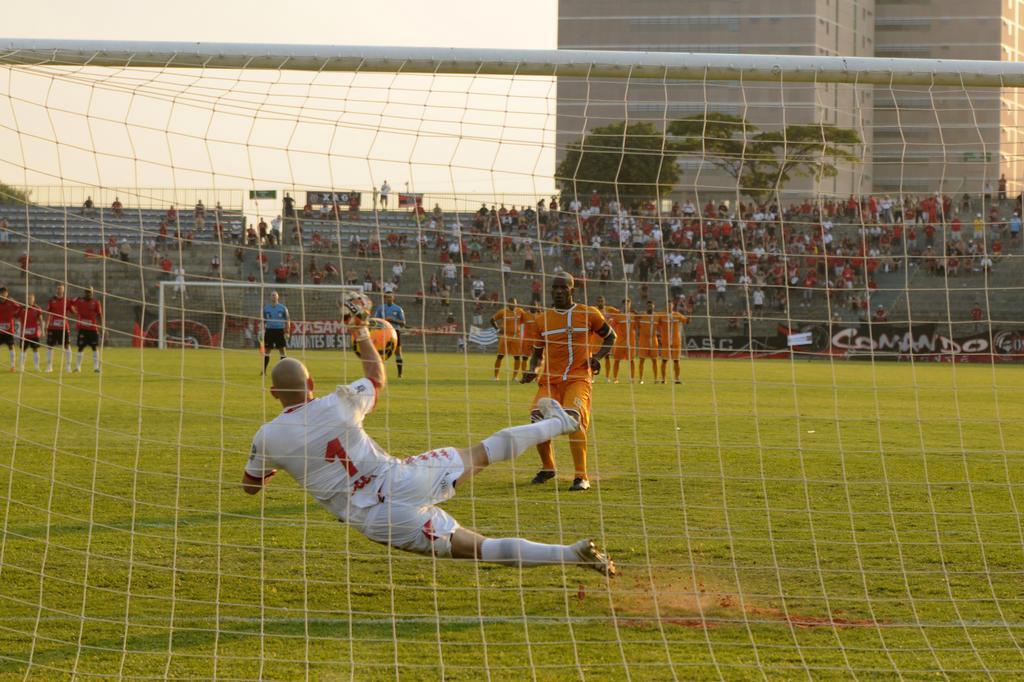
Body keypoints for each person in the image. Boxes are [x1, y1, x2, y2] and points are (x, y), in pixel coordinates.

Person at [242, 298, 615, 576]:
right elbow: (376, 377)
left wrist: (276, 464)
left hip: (372, 515)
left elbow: (251, 486)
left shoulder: (268, 436)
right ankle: (561, 423)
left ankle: (570, 554)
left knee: (477, 547)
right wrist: (359, 332)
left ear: (273, 394)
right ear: (311, 384)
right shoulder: (339, 403)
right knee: (482, 452)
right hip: (401, 477)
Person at [521, 273, 615, 491]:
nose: (559, 291)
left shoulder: (589, 314)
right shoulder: (541, 320)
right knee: (537, 419)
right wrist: (532, 370)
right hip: (550, 381)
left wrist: (597, 358)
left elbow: (611, 336)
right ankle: (548, 467)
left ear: (572, 290)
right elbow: (537, 353)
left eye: (564, 287)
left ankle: (581, 476)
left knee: (573, 420)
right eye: (555, 288)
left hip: (578, 378)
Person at [490, 298, 527, 381]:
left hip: (516, 337)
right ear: (508, 303)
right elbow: (492, 320)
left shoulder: (520, 311)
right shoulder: (503, 312)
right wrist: (498, 329)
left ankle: (514, 377)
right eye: (512, 303)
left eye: (515, 303)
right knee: (500, 356)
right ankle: (495, 376)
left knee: (517, 357)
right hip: (505, 337)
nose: (514, 305)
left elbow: (527, 319)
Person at [373, 292, 406, 379]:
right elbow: (375, 321)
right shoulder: (380, 308)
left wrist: (393, 320)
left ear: (393, 298)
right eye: (387, 297)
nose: (389, 298)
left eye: (390, 297)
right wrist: (383, 321)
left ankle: (400, 374)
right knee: (380, 352)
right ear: (384, 298)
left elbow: (403, 323)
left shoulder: (398, 309)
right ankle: (379, 374)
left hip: (395, 331)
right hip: (383, 332)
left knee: (398, 352)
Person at [71, 287, 102, 373]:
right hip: (82, 329)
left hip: (92, 329)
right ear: (84, 292)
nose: (88, 293)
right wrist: (74, 312)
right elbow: (70, 304)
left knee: (94, 347)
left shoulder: (96, 302)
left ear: (92, 292)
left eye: (89, 292)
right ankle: (78, 367)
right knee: (80, 347)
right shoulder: (79, 300)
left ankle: (96, 367)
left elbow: (99, 315)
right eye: (87, 292)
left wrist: (101, 327)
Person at [657, 306, 689, 385]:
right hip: (666, 342)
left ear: (672, 306)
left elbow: (687, 321)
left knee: (676, 361)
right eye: (667, 305)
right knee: (664, 361)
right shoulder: (662, 315)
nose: (669, 306)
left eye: (670, 305)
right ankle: (663, 379)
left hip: (675, 342)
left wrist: (689, 313)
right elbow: (654, 320)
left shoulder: (677, 314)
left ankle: (677, 379)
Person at [44, 284, 72, 373]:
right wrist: (46, 324)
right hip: (53, 327)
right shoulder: (51, 300)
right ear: (56, 290)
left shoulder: (67, 300)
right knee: (50, 346)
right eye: (58, 288)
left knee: (67, 345)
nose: (59, 290)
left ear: (64, 290)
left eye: (61, 289)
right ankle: (49, 366)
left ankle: (68, 366)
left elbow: (72, 311)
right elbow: (48, 313)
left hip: (64, 327)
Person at [261, 291, 290, 375]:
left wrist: (287, 332)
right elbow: (262, 321)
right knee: (267, 350)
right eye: (272, 295)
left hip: (279, 330)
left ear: (278, 297)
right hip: (269, 330)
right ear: (270, 297)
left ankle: (284, 371)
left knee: (282, 350)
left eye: (275, 295)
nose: (273, 296)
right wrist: (261, 330)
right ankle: (263, 371)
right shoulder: (266, 308)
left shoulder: (283, 308)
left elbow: (287, 320)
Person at [592, 296, 619, 379]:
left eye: (601, 301)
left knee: (607, 357)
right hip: (595, 338)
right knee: (593, 357)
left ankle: (607, 377)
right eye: (598, 301)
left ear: (604, 302)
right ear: (596, 302)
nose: (600, 302)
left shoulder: (609, 309)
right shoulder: (594, 310)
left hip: (606, 337)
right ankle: (592, 377)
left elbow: (619, 312)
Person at [635, 300, 660, 384]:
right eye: (648, 306)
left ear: (654, 306)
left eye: (651, 305)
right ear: (646, 306)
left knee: (654, 360)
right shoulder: (642, 315)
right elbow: (637, 325)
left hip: (653, 341)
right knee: (642, 360)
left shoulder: (657, 316)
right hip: (643, 341)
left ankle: (656, 379)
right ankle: (641, 379)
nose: (650, 307)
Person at [19, 293, 43, 372]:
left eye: (31, 298)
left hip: (34, 333)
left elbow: (41, 320)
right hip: (24, 333)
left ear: (33, 299)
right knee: (23, 349)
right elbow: (16, 316)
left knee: (35, 349)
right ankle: (21, 367)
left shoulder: (37, 309)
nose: (29, 300)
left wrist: (42, 331)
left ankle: (36, 367)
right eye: (28, 298)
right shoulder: (22, 308)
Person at [0, 287, 20, 371]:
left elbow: (19, 309)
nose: (3, 295)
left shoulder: (11, 302)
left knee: (11, 346)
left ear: (7, 294)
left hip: (9, 329)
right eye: (2, 293)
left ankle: (13, 366)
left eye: (5, 293)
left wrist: (15, 314)